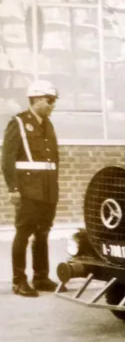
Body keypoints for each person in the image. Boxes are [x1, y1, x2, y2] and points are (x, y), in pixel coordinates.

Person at [2, 80, 65, 297]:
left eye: (53, 101)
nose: (52, 105)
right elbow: (7, 158)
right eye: (50, 100)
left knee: (43, 233)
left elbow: (54, 158)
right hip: (28, 189)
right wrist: (13, 188)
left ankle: (41, 277)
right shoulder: (18, 123)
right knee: (24, 233)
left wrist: (54, 187)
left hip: (48, 189)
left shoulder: (48, 124)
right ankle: (19, 281)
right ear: (37, 99)